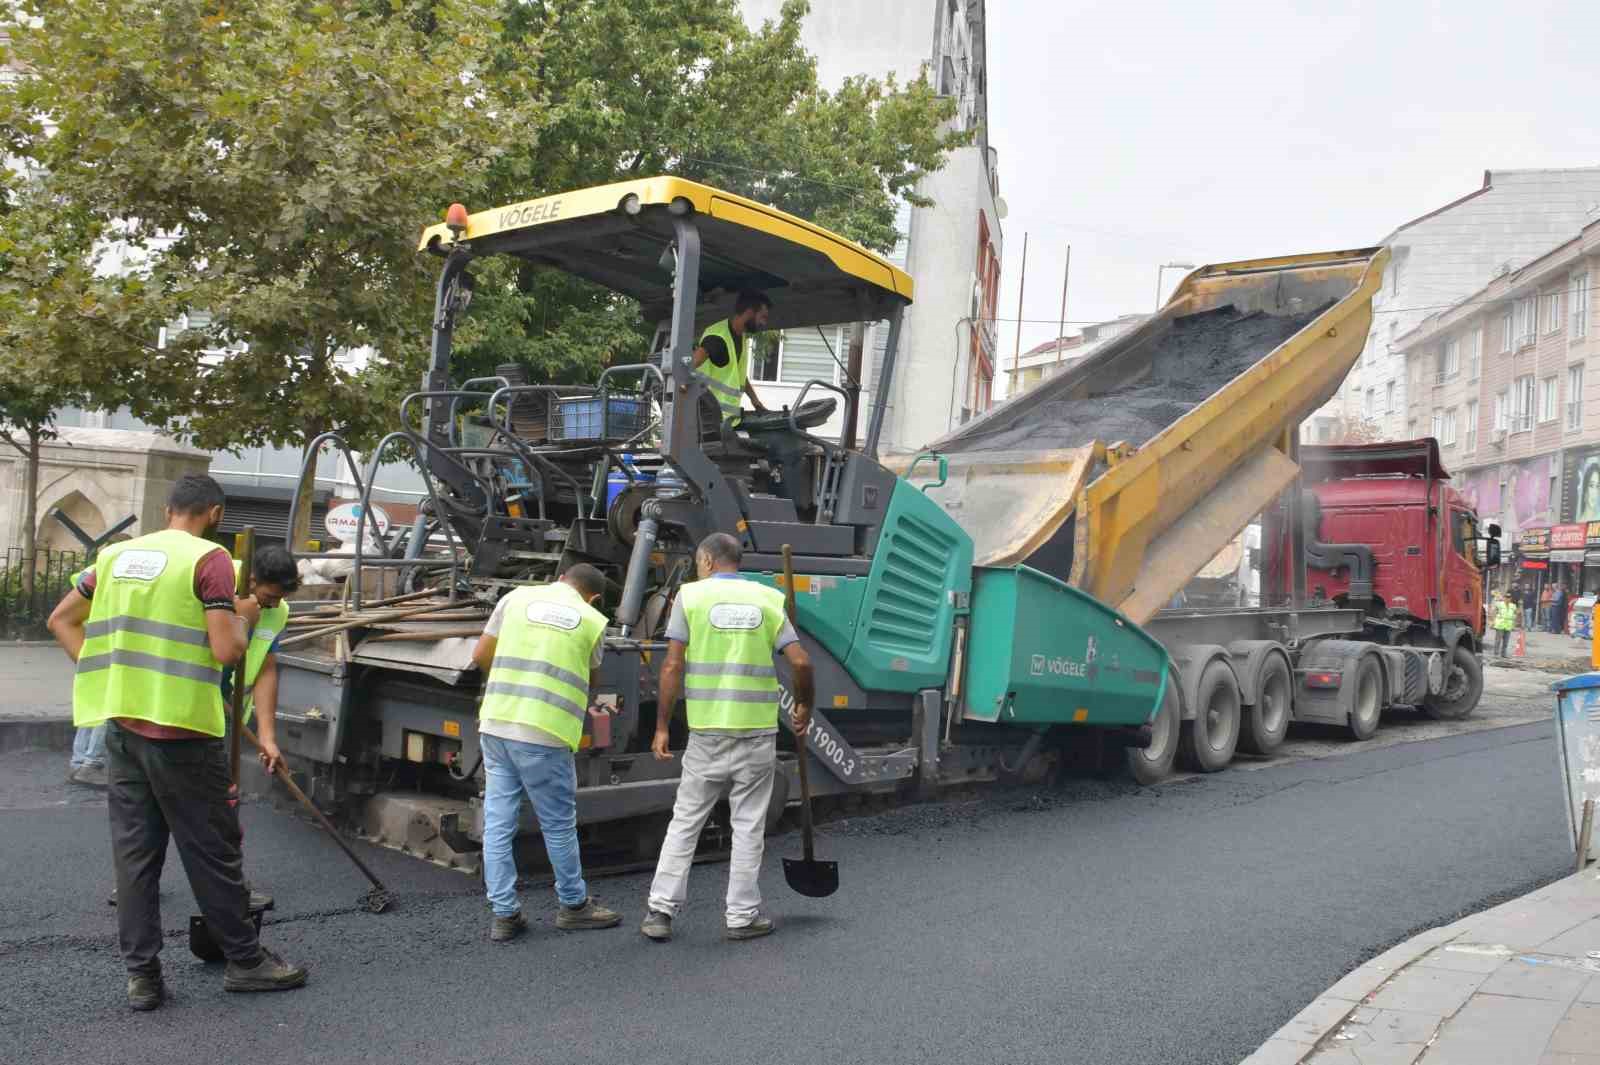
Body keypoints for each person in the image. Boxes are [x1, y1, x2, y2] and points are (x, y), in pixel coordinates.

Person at [46, 475, 306, 1011]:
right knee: (211, 851)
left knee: (136, 859)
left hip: (124, 727)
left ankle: (143, 978)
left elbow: (61, 620)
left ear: (167, 509)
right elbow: (227, 651)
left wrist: (109, 674)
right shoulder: (210, 560)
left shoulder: (116, 556)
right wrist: (242, 617)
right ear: (214, 513)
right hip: (185, 733)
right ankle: (246, 961)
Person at [640, 532, 814, 943]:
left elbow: (671, 667)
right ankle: (741, 916)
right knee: (748, 826)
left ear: (705, 561)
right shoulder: (768, 600)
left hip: (707, 733)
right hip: (756, 733)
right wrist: (804, 704)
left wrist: (663, 725)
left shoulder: (691, 598)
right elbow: (802, 662)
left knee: (685, 822)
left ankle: (660, 912)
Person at [469, 563, 622, 942]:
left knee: (498, 822)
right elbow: (591, 680)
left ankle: (504, 915)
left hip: (497, 724)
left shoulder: (516, 598)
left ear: (560, 580)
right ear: (594, 597)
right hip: (545, 734)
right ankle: (573, 906)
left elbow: (481, 655)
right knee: (556, 824)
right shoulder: (591, 620)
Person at [692, 289, 772, 427]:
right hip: (707, 421)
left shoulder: (741, 337)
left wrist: (755, 401)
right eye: (763, 317)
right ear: (749, 313)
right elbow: (690, 365)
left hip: (725, 422)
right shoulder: (718, 338)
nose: (764, 323)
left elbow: (738, 375)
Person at [1491, 591, 1517, 657]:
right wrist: (1493, 621)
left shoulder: (1513, 606)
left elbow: (1515, 614)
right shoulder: (1499, 604)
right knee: (1498, 641)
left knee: (1506, 642)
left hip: (1508, 626)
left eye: (1509, 597)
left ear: (1511, 598)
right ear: (1504, 598)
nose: (1507, 598)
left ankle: (1503, 654)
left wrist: (1514, 624)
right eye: (1506, 597)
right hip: (1500, 625)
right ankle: (1496, 653)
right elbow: (1494, 612)